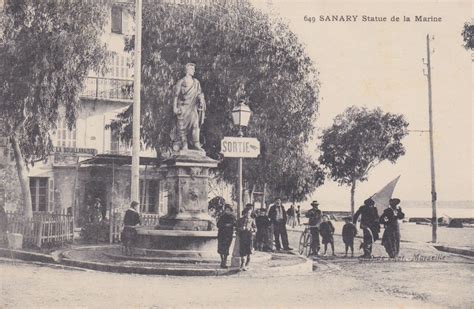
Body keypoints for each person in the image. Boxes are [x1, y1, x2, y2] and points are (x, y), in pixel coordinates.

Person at [170, 63, 206, 152]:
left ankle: (196, 144)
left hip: (192, 108)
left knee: (195, 125)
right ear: (187, 70)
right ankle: (184, 144)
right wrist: (174, 108)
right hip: (183, 107)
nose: (194, 71)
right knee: (182, 128)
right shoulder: (181, 81)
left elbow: (199, 94)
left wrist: (201, 99)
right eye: (192, 69)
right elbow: (175, 95)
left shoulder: (196, 82)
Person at [216, 204, 236, 268]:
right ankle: (222, 261)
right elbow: (218, 225)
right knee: (220, 249)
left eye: (229, 210)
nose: (227, 211)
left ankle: (224, 261)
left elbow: (235, 224)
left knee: (226, 249)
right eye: (226, 210)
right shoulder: (222, 217)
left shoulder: (232, 217)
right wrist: (224, 225)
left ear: (230, 210)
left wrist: (231, 225)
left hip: (228, 235)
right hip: (222, 234)